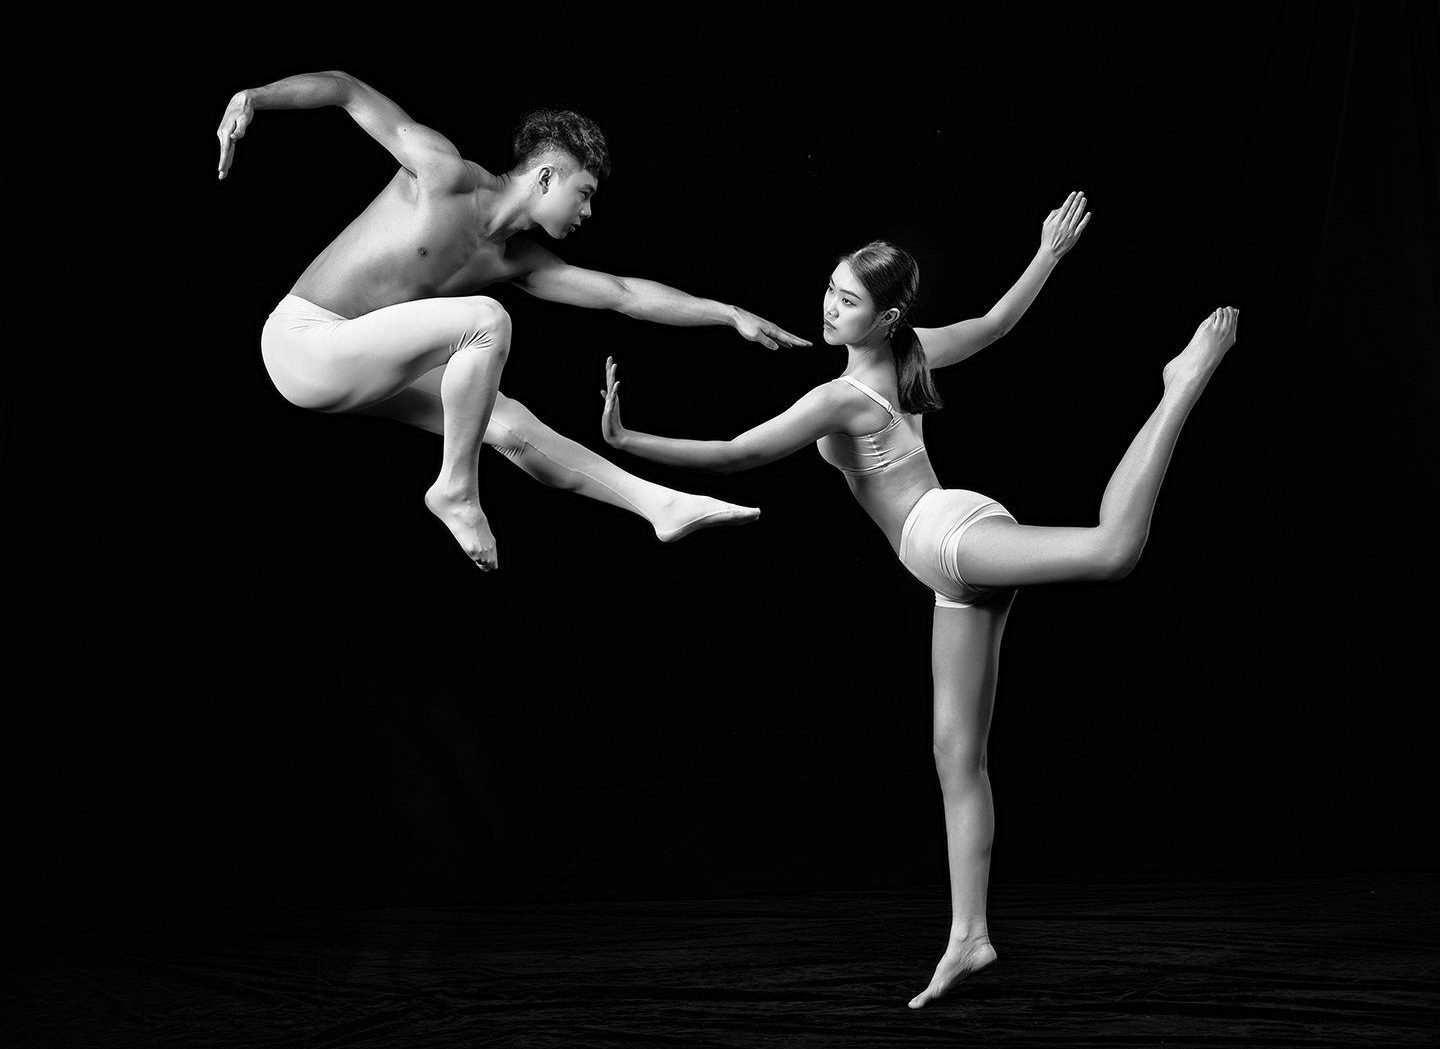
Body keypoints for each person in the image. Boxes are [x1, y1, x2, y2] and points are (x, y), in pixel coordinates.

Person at [596, 194, 1238, 1008]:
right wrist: (1047, 252)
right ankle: (969, 937)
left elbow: (734, 454)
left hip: (947, 538)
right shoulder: (909, 352)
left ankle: (1180, 385)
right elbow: (998, 323)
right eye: (830, 289)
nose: (829, 307)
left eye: (847, 300)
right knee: (955, 757)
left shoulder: (842, 396)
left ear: (887, 316)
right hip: (945, 565)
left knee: (1112, 550)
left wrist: (626, 440)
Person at [215, 69, 808, 570]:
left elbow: (623, 293)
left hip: (361, 367)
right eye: (584, 192)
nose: (588, 212)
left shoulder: (517, 261)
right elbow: (346, 89)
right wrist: (254, 98)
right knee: (485, 321)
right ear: (545, 177)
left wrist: (726, 313)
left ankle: (660, 506)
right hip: (301, 343)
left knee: (509, 422)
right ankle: (455, 490)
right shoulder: (442, 173)